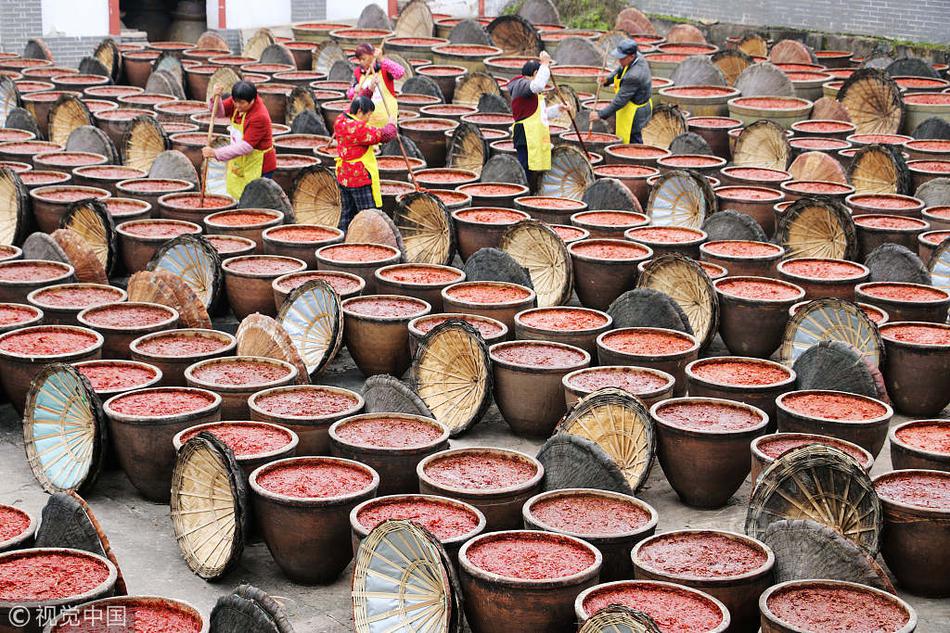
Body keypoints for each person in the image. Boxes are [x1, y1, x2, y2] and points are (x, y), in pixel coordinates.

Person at [202, 81, 276, 200]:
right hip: (240, 162)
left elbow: (246, 146)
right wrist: (216, 97)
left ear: (252, 100)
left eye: (241, 103)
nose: (237, 105)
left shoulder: (259, 116)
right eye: (235, 102)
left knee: (254, 201)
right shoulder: (237, 101)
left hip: (259, 165)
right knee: (238, 198)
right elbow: (220, 112)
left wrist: (216, 153)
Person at [334, 96, 398, 231]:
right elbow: (385, 135)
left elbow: (351, 107)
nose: (369, 118)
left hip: (343, 176)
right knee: (369, 213)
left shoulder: (340, 120)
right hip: (359, 178)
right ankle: (369, 239)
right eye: (368, 114)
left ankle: (343, 240)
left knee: (347, 213)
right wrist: (392, 123)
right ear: (360, 112)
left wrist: (369, 90)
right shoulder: (359, 129)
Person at [508, 51, 565, 187]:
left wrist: (559, 109)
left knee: (533, 172)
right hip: (526, 134)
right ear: (535, 74)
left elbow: (540, 114)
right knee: (525, 168)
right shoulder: (521, 85)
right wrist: (545, 64)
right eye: (539, 74)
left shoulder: (531, 90)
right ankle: (522, 193)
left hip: (534, 134)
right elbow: (539, 85)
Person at [590, 39, 653, 144]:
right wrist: (607, 80)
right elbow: (620, 69)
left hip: (636, 112)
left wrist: (600, 115)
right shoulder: (634, 58)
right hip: (632, 104)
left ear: (631, 56)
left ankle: (636, 159)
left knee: (634, 139)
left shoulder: (634, 76)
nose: (619, 61)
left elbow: (619, 100)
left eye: (622, 58)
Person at [346, 43, 405, 128]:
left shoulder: (384, 68)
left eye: (364, 59)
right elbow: (350, 95)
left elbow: (400, 72)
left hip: (387, 116)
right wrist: (355, 89)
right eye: (360, 60)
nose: (361, 62)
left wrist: (382, 59)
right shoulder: (358, 72)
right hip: (367, 119)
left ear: (372, 56)